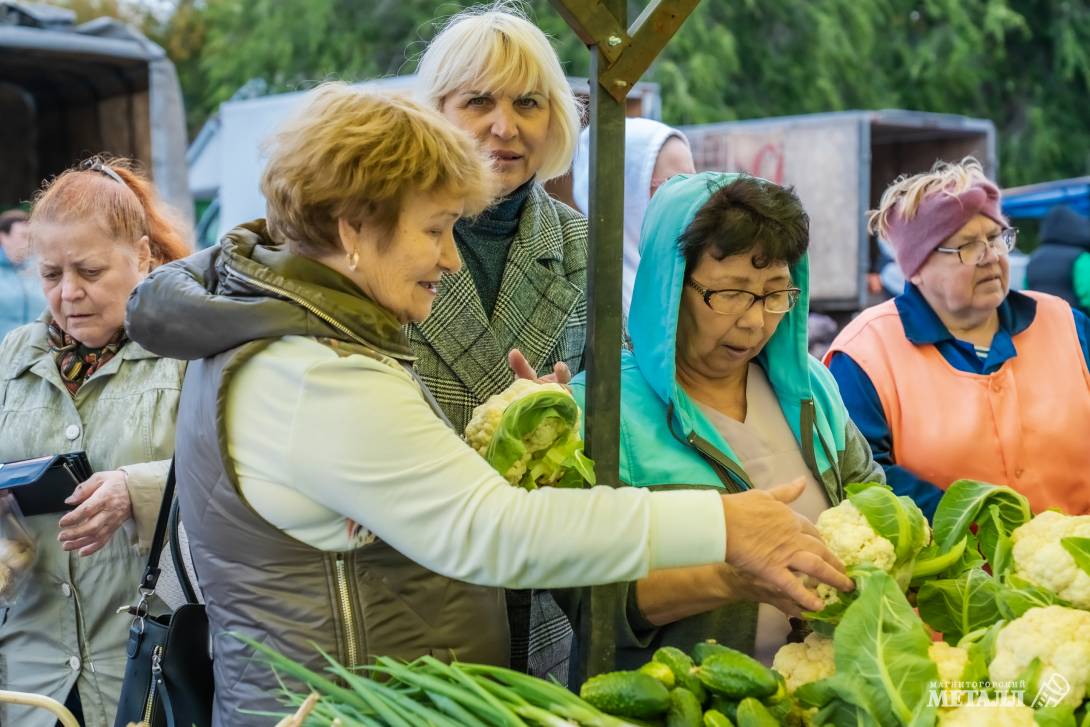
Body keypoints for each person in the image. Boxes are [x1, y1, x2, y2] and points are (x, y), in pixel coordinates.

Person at [124, 85, 851, 726]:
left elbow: (400, 500)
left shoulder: (286, 336)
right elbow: (491, 530)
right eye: (435, 229)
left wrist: (504, 442)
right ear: (352, 226)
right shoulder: (317, 374)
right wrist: (722, 522)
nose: (447, 258)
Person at [567, 172, 881, 667]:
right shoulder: (602, 410)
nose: (754, 321)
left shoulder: (811, 390)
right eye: (730, 293)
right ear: (669, 288)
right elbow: (588, 599)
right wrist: (729, 578)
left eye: (775, 293)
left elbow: (874, 503)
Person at [412, 5, 588, 677]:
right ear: (435, 111)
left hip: (538, 588)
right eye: (478, 101)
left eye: (529, 102)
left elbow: (612, 410)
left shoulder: (580, 245)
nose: (505, 126)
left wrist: (561, 422)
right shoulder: (384, 236)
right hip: (416, 577)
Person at [0, 158, 190, 727]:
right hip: (31, 677)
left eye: (89, 270)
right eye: (52, 274)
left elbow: (242, 476)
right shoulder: (11, 358)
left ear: (144, 256)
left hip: (147, 667)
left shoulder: (189, 353)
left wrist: (140, 489)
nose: (70, 293)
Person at [826, 158, 1090, 519]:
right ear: (916, 269)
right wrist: (972, 527)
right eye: (967, 246)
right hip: (949, 570)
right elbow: (860, 475)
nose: (991, 257)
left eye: (997, 238)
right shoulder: (864, 355)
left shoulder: (1065, 325)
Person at [570, 117, 696, 318]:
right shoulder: (585, 289)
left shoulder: (687, 268)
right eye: (675, 184)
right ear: (628, 189)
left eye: (694, 182)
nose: (691, 198)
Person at [1026, 204, 1090, 315]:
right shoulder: (1080, 257)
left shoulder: (1034, 258)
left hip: (1039, 323)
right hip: (1074, 325)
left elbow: (1026, 293)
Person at [0, 208, 49, 338]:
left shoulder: (42, 268)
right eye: (23, 236)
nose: (29, 243)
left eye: (31, 237)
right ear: (3, 237)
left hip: (34, 352)